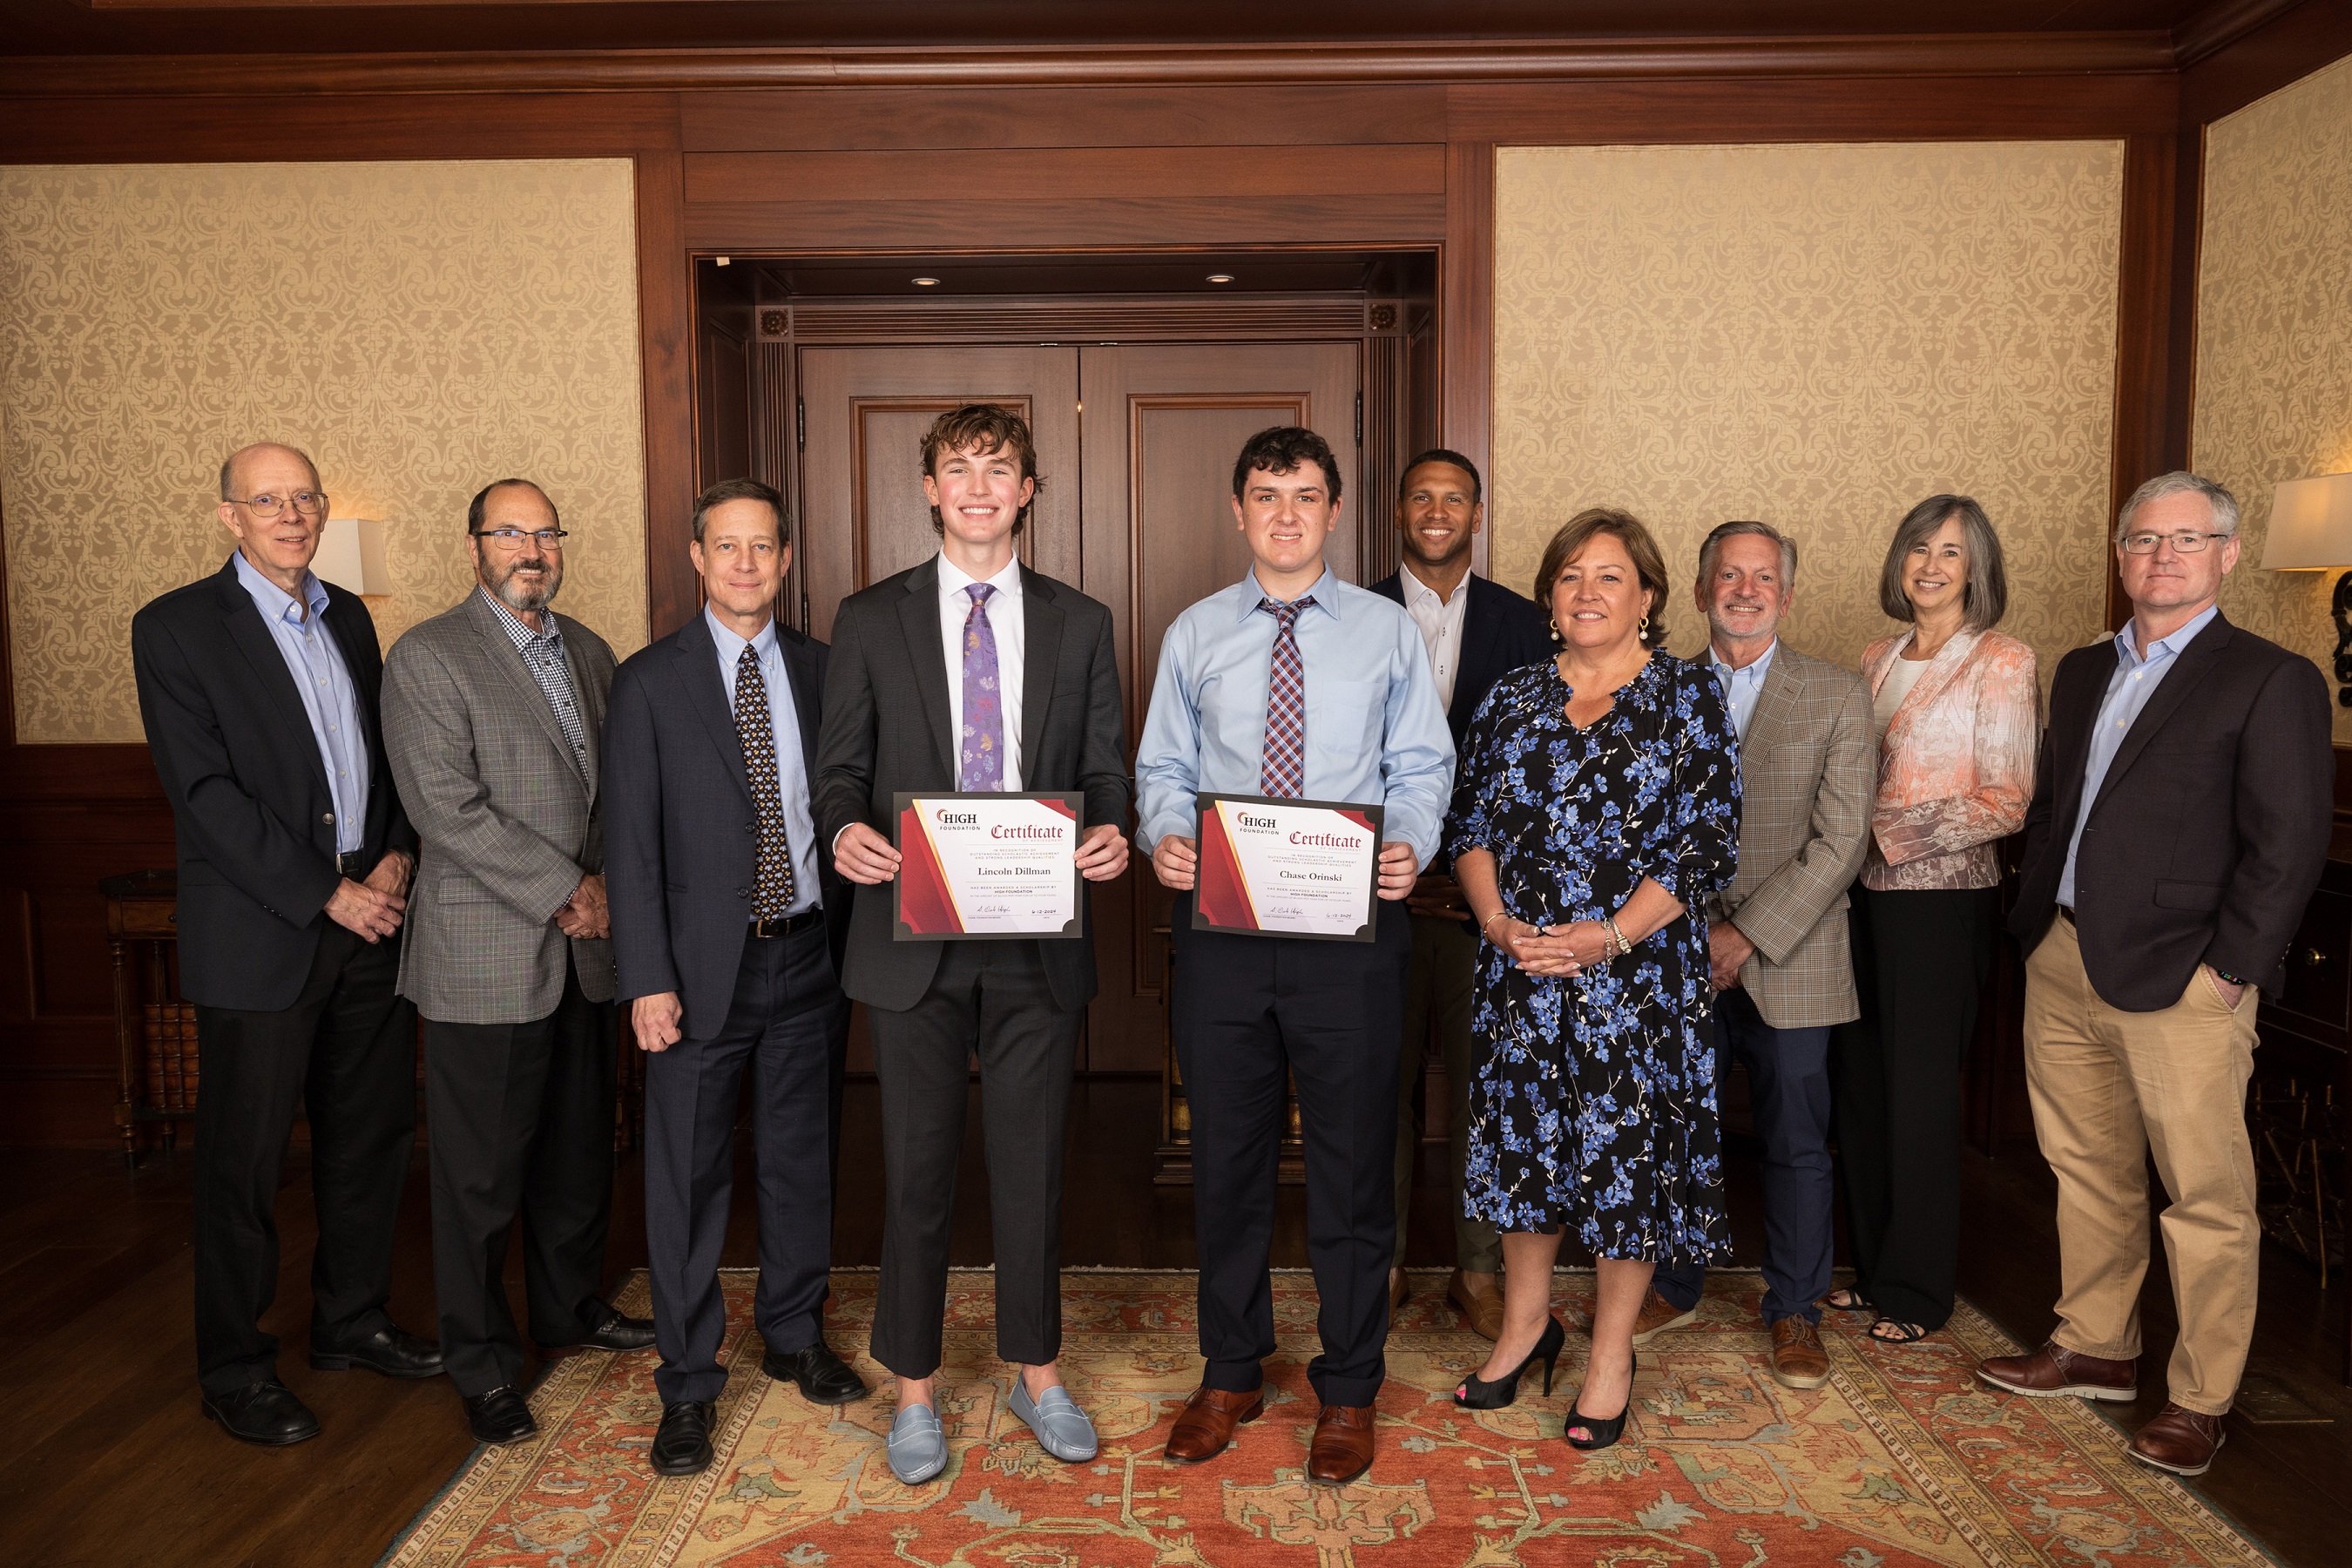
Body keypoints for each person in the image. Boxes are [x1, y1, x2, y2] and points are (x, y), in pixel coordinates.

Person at [1978, 472, 2331, 1477]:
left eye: (2186, 539)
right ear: (2122, 554)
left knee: (2206, 1196)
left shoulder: (2270, 678)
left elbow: (2288, 845)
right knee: (2086, 1165)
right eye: (2144, 539)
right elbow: (2058, 806)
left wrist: (2232, 972)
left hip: (2185, 976)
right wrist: (2034, 922)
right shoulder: (2086, 669)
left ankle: (2201, 1397)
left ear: (2226, 554)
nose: (2162, 557)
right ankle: (2097, 1343)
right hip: (2065, 954)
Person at [814, 406, 1131, 1486]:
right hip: (911, 934)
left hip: (1036, 933)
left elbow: (1106, 769)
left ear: (1028, 489)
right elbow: (840, 771)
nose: (981, 486)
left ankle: (1037, 1372)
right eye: (960, 468)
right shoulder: (870, 617)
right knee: (915, 1170)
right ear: (932, 489)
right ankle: (913, 1390)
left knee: (1033, 1167)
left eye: (1000, 469)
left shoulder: (1082, 621)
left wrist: (1111, 830)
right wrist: (843, 830)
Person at [1137, 425, 1453, 1487]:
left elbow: (1422, 761)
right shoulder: (1194, 632)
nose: (1285, 514)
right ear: (1238, 510)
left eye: (1306, 495)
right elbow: (1162, 768)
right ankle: (1230, 1370)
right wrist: (1164, 834)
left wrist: (1411, 840)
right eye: (1267, 495)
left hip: (1349, 934)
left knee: (1353, 1168)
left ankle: (1350, 1385)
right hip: (1223, 934)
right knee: (1226, 1162)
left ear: (1334, 511)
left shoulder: (1385, 631)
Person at [131, 442, 438, 1447]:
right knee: (245, 1165)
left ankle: (352, 1322)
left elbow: (383, 755)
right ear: (231, 516)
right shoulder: (176, 628)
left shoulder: (348, 615)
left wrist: (395, 856)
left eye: (304, 498)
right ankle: (234, 1368)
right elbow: (205, 796)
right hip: (266, 931)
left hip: (371, 917)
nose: (291, 515)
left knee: (370, 1138)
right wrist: (327, 894)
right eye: (268, 501)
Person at [1447, 506, 1739, 1452]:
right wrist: (1499, 926)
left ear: (1648, 596)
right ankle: (1525, 1328)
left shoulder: (1687, 696)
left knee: (1626, 1166)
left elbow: (1703, 846)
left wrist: (1607, 938)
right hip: (1522, 971)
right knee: (1525, 1157)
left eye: (1609, 576)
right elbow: (1469, 826)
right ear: (1548, 597)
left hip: (1637, 982)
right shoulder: (1512, 696)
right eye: (1570, 575)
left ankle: (1611, 1355)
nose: (1587, 592)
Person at [381, 479, 654, 1448]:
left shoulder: (591, 652)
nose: (531, 550)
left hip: (587, 951)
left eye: (546, 533)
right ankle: (485, 1363)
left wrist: (610, 889)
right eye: (510, 533)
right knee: (480, 1178)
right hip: (488, 954)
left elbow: (619, 790)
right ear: (474, 548)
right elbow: (445, 809)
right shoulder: (427, 656)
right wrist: (569, 890)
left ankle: (569, 1310)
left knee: (578, 1152)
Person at [605, 477, 864, 1478]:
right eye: (727, 546)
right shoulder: (648, 681)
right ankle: (687, 1379)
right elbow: (630, 844)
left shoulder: (826, 670)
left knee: (801, 1158)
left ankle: (794, 1333)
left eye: (763, 547)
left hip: (809, 952)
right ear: (697, 557)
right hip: (696, 970)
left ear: (785, 560)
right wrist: (646, 978)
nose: (746, 564)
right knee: (688, 1176)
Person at [1638, 521, 1872, 1389]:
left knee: (1797, 1142)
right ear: (1702, 591)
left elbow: (1840, 842)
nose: (1745, 591)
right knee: (1671, 1129)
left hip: (1794, 953)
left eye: (1763, 577)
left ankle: (1796, 1308)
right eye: (1729, 576)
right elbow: (1636, 830)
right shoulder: (1654, 688)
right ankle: (1671, 1284)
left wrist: (1743, 935)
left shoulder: (1837, 693)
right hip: (1672, 948)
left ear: (1788, 594)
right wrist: (1685, 928)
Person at [1828, 495, 2038, 1347]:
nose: (1931, 565)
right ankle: (1874, 1271)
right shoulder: (1875, 658)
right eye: (1919, 548)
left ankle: (1917, 1292)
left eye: (1951, 552)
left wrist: (1876, 836)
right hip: (1854, 900)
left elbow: (2007, 800)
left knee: (1917, 1095)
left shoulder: (2003, 660)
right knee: (1862, 1086)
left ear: (1976, 567)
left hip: (1940, 904)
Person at [1368, 449, 1551, 1340]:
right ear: (1398, 510)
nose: (1437, 511)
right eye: (1421, 497)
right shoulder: (1350, 614)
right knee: (1376, 1086)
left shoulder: (1528, 624)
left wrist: (1485, 884)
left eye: (1454, 499)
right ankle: (1382, 1262)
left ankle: (1478, 1272)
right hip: (1375, 897)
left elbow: (1545, 769)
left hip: (1490, 907)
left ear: (1477, 514)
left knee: (1490, 1089)